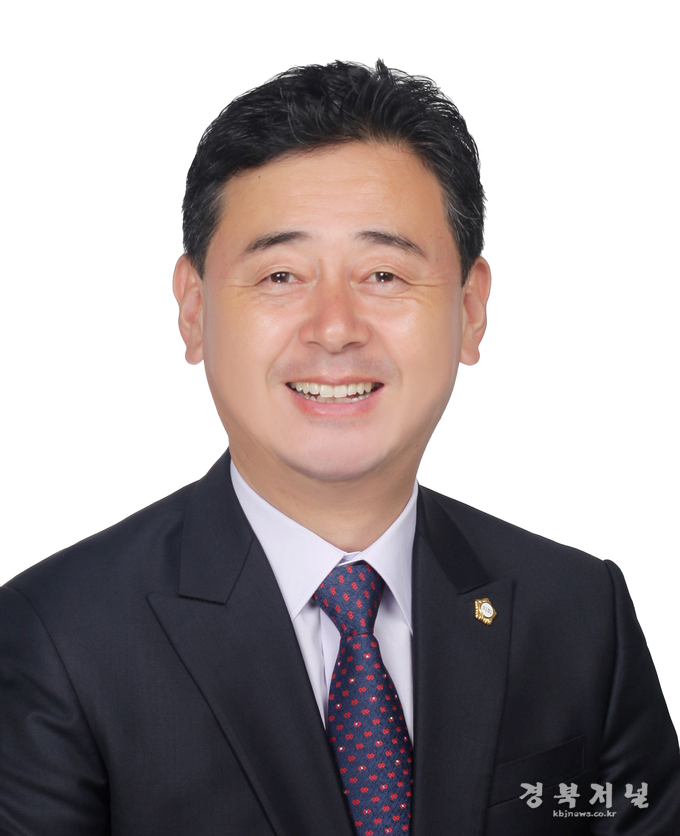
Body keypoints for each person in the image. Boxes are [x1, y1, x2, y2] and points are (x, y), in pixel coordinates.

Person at [0, 60, 678, 836]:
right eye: (280, 275)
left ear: (470, 309)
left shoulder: (581, 615)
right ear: (193, 309)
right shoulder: (58, 638)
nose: (334, 328)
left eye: (383, 273)